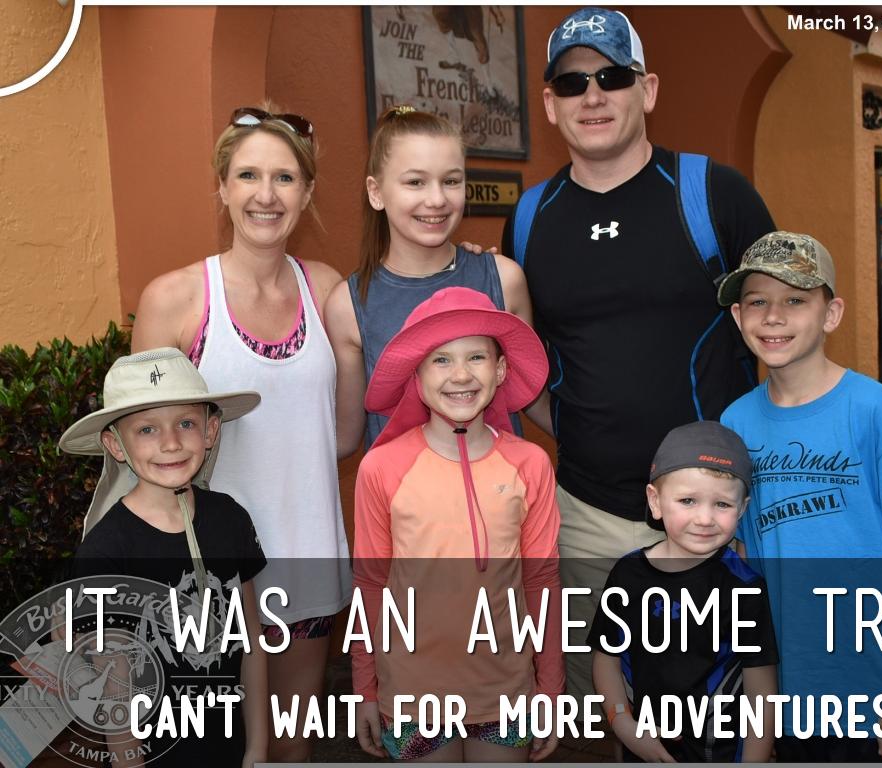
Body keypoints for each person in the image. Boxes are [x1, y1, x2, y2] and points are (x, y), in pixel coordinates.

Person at [499, 6, 776, 700]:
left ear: (646, 90)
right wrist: (571, 427)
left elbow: (785, 336)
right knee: (616, 710)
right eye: (572, 83)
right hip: (588, 514)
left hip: (714, 515)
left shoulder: (716, 194)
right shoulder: (528, 219)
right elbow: (521, 357)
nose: (592, 96)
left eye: (612, 77)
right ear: (550, 105)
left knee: (724, 707)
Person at [130, 104, 351, 761]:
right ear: (223, 187)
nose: (266, 194)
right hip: (206, 575)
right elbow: (138, 446)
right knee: (206, 749)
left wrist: (468, 265)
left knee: (290, 748)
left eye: (285, 178)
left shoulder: (328, 290)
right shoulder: (175, 299)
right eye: (248, 175)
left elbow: (343, 433)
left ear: (307, 192)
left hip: (308, 557)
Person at [717, 231, 882, 762]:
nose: (774, 317)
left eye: (795, 300)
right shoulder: (735, 422)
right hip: (789, 687)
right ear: (738, 317)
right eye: (757, 302)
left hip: (878, 683)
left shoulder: (876, 410)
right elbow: (743, 555)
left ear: (831, 314)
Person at [350, 287, 562, 762]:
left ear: (500, 370)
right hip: (412, 694)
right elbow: (371, 584)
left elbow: (542, 582)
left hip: (506, 691)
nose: (461, 375)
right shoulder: (381, 468)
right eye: (441, 360)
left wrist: (550, 689)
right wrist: (365, 689)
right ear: (417, 375)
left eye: (476, 357)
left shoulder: (530, 464)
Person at [60, 347, 266, 767]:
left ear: (210, 430)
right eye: (147, 429)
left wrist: (258, 747)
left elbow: (251, 641)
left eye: (186, 423)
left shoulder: (231, 519)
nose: (171, 443)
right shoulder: (105, 553)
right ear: (115, 444)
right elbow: (115, 692)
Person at [325, 106, 531, 455]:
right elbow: (344, 438)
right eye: (415, 182)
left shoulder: (504, 279)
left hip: (501, 486)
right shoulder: (348, 304)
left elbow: (531, 393)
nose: (436, 200)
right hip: (405, 490)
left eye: (451, 181)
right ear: (376, 192)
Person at [588, 421, 777, 762]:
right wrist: (622, 722)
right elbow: (606, 658)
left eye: (722, 504)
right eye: (687, 500)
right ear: (655, 501)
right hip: (644, 747)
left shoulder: (744, 588)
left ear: (743, 509)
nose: (704, 518)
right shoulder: (628, 574)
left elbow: (761, 692)